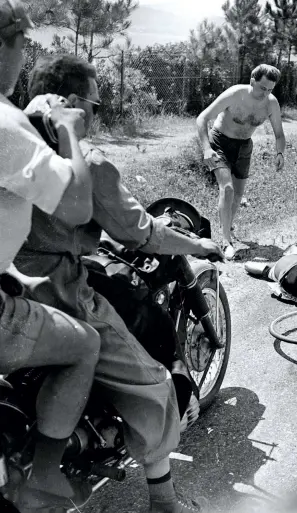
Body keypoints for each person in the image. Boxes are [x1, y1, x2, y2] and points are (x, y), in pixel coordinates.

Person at [15, 54, 224, 513]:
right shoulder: (88, 161)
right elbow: (139, 233)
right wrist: (195, 246)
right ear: (70, 102)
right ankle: (163, 500)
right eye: (95, 105)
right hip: (56, 288)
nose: (96, 115)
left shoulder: (13, 136)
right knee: (152, 383)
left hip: (11, 282)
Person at [0, 1, 104, 510]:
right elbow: (81, 207)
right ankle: (44, 474)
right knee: (85, 344)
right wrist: (70, 133)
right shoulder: (6, 125)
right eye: (21, 43)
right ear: (6, 45)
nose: (23, 55)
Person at [196, 64, 286, 260]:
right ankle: (226, 241)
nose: (266, 93)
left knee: (237, 195)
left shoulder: (271, 103)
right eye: (263, 88)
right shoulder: (235, 94)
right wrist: (206, 149)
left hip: (244, 147)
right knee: (226, 188)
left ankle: (227, 228)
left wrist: (280, 153)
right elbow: (202, 118)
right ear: (252, 81)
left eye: (270, 89)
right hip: (219, 142)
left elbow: (279, 134)